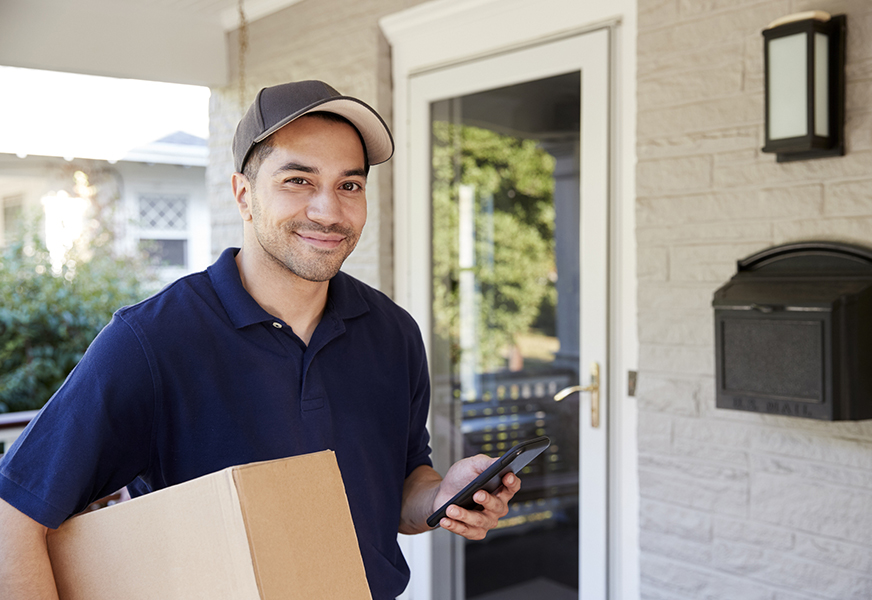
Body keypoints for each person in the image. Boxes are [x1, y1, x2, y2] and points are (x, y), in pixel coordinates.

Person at [0, 80, 521, 600]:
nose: (328, 210)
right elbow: (13, 516)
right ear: (244, 195)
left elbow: (403, 488)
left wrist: (442, 495)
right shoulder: (153, 341)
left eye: (350, 185)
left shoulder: (392, 332)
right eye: (298, 180)